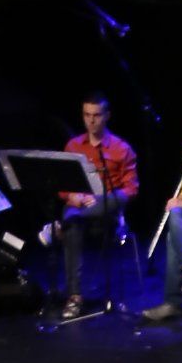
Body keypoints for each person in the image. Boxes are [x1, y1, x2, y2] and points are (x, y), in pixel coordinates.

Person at [56, 94, 138, 320]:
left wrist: (102, 199)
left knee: (75, 216)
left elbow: (131, 190)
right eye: (87, 115)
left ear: (107, 116)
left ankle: (58, 226)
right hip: (80, 209)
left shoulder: (121, 148)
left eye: (96, 115)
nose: (91, 121)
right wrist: (72, 196)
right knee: (73, 222)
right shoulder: (73, 146)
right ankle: (75, 297)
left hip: (107, 210)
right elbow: (62, 186)